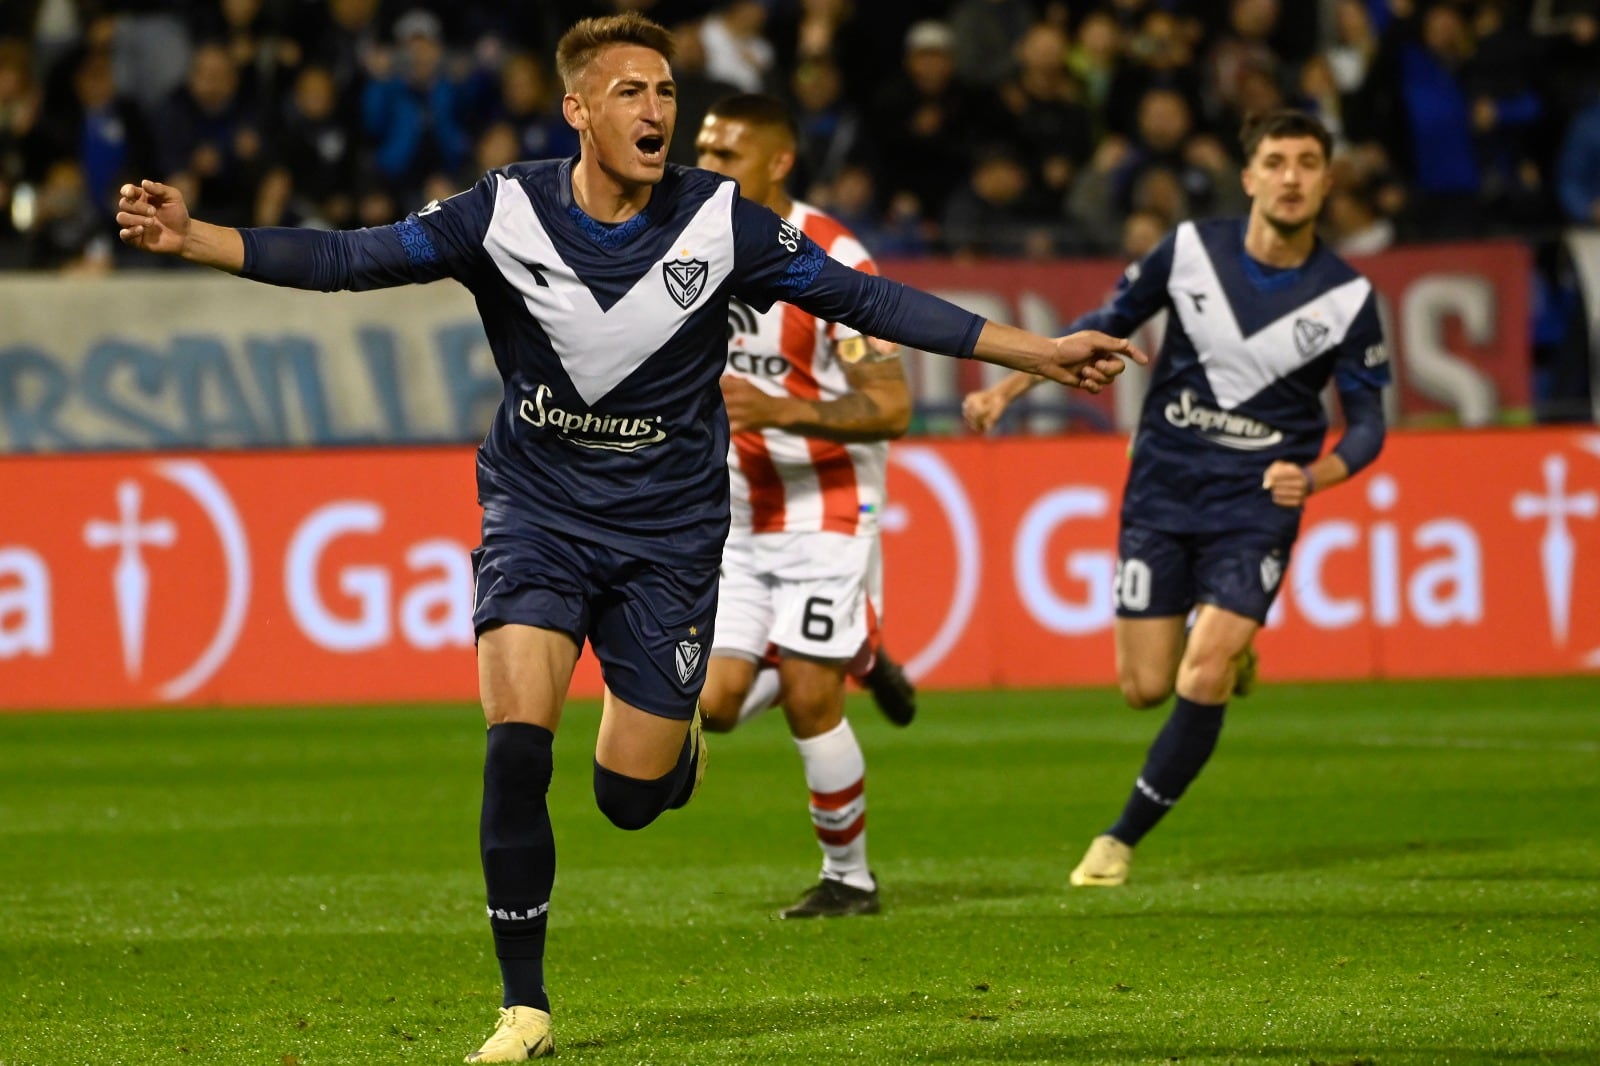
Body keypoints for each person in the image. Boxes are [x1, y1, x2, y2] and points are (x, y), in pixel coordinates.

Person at [115, 12, 1142, 1060]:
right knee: (516, 740)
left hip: (670, 536)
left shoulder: (721, 222)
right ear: (577, 110)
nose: (657, 112)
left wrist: (1041, 351)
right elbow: (347, 256)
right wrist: (197, 236)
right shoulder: (503, 210)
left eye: (664, 92)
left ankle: (675, 739)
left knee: (628, 798)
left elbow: (867, 299)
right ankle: (525, 1005)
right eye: (629, 93)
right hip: (538, 514)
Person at [964, 109, 1387, 890]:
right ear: (1250, 174)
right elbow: (1102, 325)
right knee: (1144, 688)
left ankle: (1118, 840)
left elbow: (1367, 425)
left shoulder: (1348, 298)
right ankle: (1232, 647)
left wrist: (1316, 477)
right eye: (1276, 161)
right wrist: (1010, 387)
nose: (1291, 177)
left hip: (1257, 505)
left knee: (1203, 674)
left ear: (1328, 180)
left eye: (1307, 163)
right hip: (1162, 489)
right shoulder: (1190, 250)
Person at [692, 92, 908, 921]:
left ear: (779, 162)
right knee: (712, 705)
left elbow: (889, 406)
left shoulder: (838, 260)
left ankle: (849, 878)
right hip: (736, 514)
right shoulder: (686, 241)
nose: (705, 167)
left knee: (811, 698)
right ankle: (857, 644)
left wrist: (784, 408)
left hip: (827, 509)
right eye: (703, 150)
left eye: (726, 156)